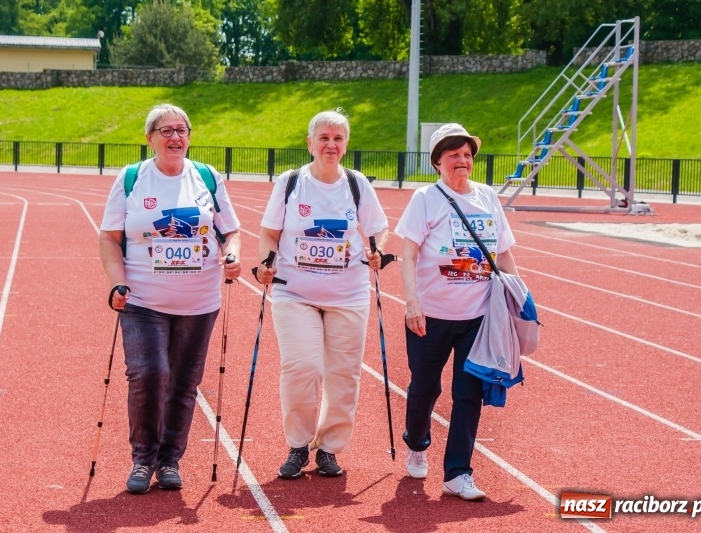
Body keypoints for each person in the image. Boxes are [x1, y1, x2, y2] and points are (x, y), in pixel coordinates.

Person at [99, 103, 241, 494]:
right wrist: (116, 283)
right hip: (143, 299)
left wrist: (232, 255)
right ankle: (143, 459)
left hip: (199, 302)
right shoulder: (131, 180)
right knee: (148, 374)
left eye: (182, 130)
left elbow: (230, 231)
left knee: (184, 382)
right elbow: (110, 238)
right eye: (166, 131)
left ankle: (170, 461)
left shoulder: (207, 178)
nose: (175, 137)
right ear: (150, 138)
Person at [255, 109, 389, 479]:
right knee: (302, 367)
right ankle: (298, 445)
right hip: (294, 292)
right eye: (324, 137)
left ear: (345, 145)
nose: (331, 144)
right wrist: (264, 263)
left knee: (344, 375)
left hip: (349, 295)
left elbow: (378, 232)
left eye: (338, 138)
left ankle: (329, 449)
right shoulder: (291, 182)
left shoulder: (358, 184)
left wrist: (376, 252)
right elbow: (269, 233)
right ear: (310, 142)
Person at [396, 123, 519, 500]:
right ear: (438, 162)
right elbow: (408, 254)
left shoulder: (487, 198)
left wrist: (519, 297)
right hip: (430, 315)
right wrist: (412, 303)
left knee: (468, 393)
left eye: (467, 154)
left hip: (478, 317)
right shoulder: (425, 199)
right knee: (423, 389)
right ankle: (417, 442)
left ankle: (457, 473)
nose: (462, 160)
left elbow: (505, 254)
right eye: (454, 155)